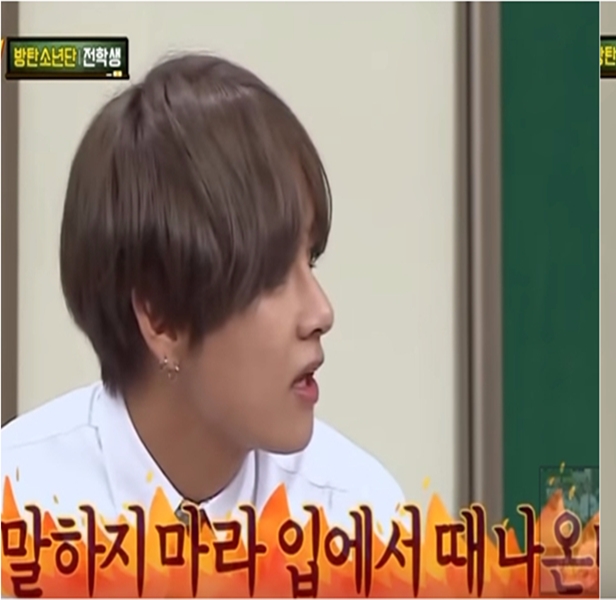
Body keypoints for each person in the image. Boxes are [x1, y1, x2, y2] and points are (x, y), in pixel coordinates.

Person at [1, 54, 405, 537]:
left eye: (310, 260)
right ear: (161, 317)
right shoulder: (18, 503)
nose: (321, 313)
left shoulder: (359, 518)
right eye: (273, 275)